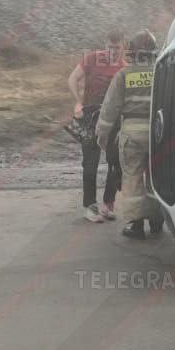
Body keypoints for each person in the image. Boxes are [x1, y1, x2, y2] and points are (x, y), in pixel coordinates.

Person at [97, 29, 164, 239]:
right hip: (158, 134)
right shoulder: (162, 73)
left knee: (133, 179)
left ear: (132, 52)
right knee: (156, 178)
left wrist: (102, 134)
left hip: (132, 135)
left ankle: (136, 225)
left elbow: (110, 109)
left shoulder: (124, 75)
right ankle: (156, 221)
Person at [67, 31, 125, 222]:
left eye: (116, 48)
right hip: (90, 118)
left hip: (113, 120)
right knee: (90, 164)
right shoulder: (92, 59)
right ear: (105, 44)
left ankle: (109, 204)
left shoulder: (124, 67)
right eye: (109, 46)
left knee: (115, 163)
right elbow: (72, 79)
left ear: (122, 47)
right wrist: (78, 102)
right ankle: (90, 206)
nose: (112, 51)